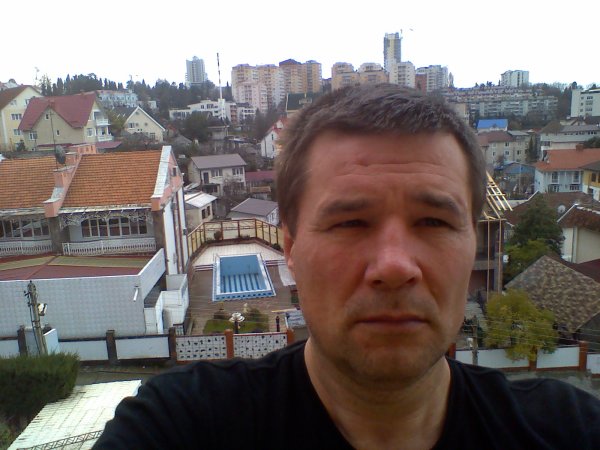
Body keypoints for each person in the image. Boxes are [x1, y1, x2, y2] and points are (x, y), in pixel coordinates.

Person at [94, 85, 600, 449]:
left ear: (473, 242)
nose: (395, 267)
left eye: (433, 221)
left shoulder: (568, 430)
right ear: (290, 247)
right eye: (351, 222)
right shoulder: (181, 426)